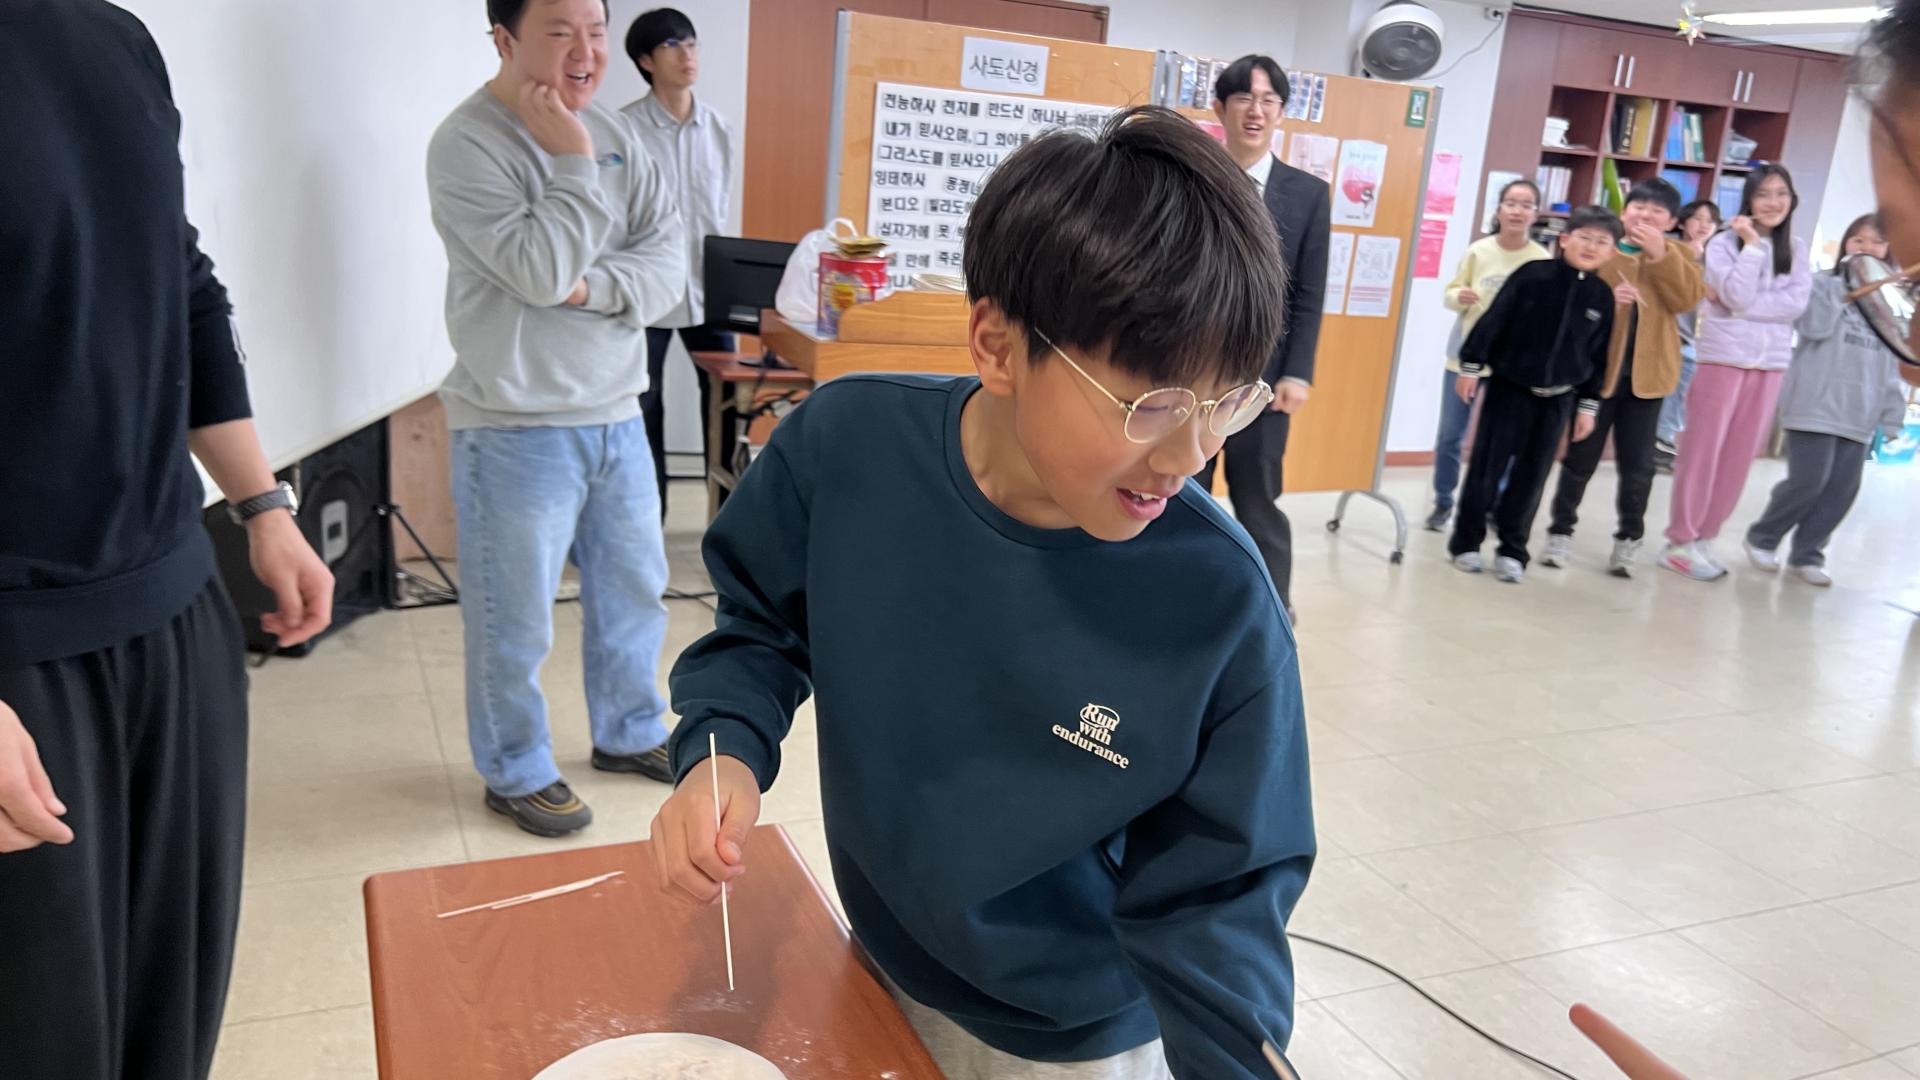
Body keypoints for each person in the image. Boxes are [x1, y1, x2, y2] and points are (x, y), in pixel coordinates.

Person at [652, 107, 1315, 1079]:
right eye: (1152, 404)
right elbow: (761, 625)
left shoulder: (1219, 600)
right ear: (998, 345)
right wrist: (725, 750)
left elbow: (1221, 898)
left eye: (1226, 401)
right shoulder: (847, 448)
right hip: (876, 955)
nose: (1188, 454)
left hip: (1075, 1034)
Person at [0, 1, 336, 1076]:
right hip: (22, 663)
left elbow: (176, 277)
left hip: (173, 609)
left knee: (169, 1028)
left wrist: (262, 505)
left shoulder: (110, 36)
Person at [427, 0, 688, 837]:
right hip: (513, 423)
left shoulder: (621, 134)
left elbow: (667, 267)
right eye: (560, 31)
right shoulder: (467, 143)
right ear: (505, 39)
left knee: (634, 592)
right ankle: (514, 768)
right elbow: (538, 269)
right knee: (514, 616)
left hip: (616, 409)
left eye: (597, 32)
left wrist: (590, 289)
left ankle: (630, 731)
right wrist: (573, 163)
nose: (586, 52)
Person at [1195, 54, 1330, 621]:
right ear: (1219, 107)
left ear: (1280, 112)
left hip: (1266, 380)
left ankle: (1274, 603)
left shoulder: (1308, 193)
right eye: (1244, 99)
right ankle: (1179, 585)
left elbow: (1309, 293)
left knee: (1258, 496)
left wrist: (1297, 372)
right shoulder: (1193, 179)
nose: (1256, 111)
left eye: (1269, 100)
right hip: (1192, 374)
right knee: (1184, 488)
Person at [1542, 178, 1705, 578]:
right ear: (1624, 211)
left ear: (1672, 221)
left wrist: (1660, 255)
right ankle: (1560, 532)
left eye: (1657, 211)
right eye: (1639, 208)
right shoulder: (1604, 249)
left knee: (1638, 466)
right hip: (1597, 376)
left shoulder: (1679, 254)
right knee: (1580, 458)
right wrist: (1608, 300)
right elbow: (1574, 298)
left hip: (1649, 377)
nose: (1646, 216)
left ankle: (1629, 540)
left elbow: (1686, 301)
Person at [1449, 206, 1619, 584]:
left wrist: (1588, 407)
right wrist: (1471, 366)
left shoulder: (1602, 297)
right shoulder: (1533, 275)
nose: (1591, 247)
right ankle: (1466, 543)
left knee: (1532, 477)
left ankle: (1513, 550)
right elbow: (1494, 320)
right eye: (1584, 237)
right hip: (1509, 389)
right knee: (1486, 469)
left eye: (1601, 242)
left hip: (1558, 400)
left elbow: (1598, 358)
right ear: (1565, 239)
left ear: (1611, 252)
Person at [1661, 164, 1812, 581]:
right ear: (1748, 200)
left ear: (1792, 200)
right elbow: (1736, 294)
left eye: (1781, 193)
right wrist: (1752, 247)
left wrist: (1742, 309)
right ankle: (1679, 540)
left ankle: (1704, 536)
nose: (1773, 202)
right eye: (1763, 194)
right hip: (1722, 358)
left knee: (1739, 456)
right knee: (1702, 451)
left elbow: (1795, 305)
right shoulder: (1725, 243)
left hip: (1771, 363)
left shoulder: (1797, 248)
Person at [1740, 215, 1907, 586]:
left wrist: (1892, 415)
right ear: (1846, 244)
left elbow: (1892, 362)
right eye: (1858, 240)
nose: (1866, 248)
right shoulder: (1819, 284)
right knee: (1808, 481)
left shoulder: (1892, 303)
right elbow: (1813, 328)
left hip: (1860, 412)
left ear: (1887, 250)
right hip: (1814, 403)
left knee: (1842, 490)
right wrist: (1845, 290)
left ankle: (1807, 555)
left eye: (1876, 242)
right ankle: (1763, 538)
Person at [623, 6, 736, 518]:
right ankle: (650, 516)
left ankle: (729, 515)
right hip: (647, 288)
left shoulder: (718, 129)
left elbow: (718, 210)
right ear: (646, 60)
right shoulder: (623, 130)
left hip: (710, 287)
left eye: (691, 44)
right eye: (673, 45)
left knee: (725, 400)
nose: (687, 55)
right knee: (644, 403)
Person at [1427, 179, 1551, 531]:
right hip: (1464, 359)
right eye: (1511, 203)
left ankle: (1493, 505)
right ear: (1499, 209)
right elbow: (1451, 293)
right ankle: (1443, 502)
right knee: (1450, 436)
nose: (1517, 211)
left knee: (1504, 440)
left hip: (1511, 366)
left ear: (1536, 213)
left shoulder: (1541, 260)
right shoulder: (1479, 251)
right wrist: (1460, 296)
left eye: (1526, 205)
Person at [1653, 199, 1724, 472]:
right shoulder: (1669, 248)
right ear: (1682, 222)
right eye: (1697, 218)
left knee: (1686, 388)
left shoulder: (1717, 258)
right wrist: (1687, 257)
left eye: (1710, 221)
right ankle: (1662, 439)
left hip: (1698, 337)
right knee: (1679, 380)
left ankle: (1664, 438)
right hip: (1667, 333)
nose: (1704, 225)